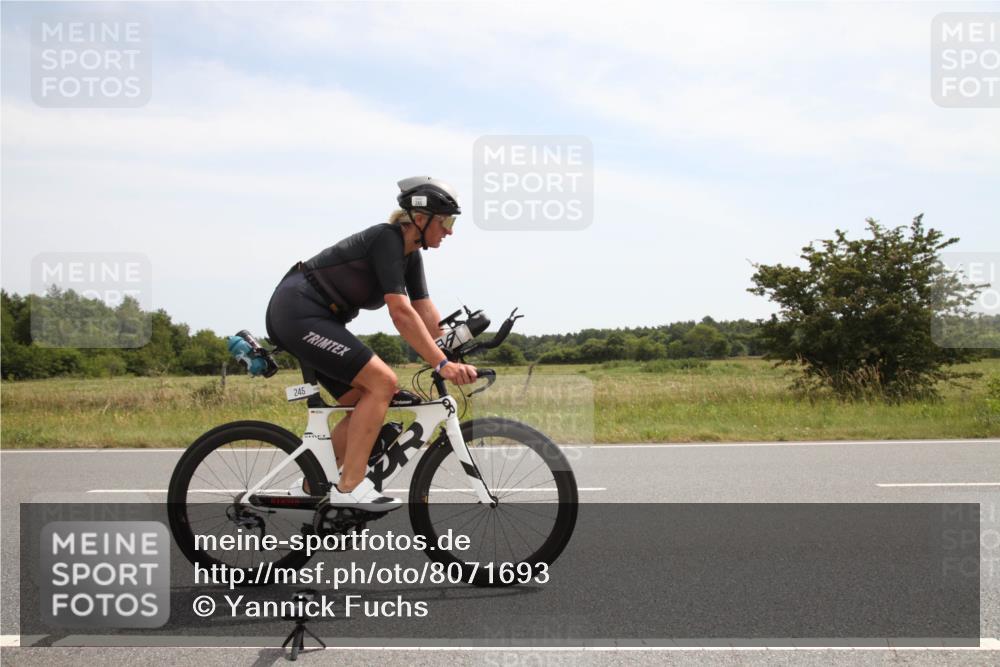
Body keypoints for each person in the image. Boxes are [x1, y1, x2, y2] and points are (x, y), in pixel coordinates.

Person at [265, 176, 478, 512]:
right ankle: (349, 487)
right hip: (298, 312)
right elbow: (401, 313)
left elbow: (423, 310)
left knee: (371, 397)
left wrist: (453, 347)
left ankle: (313, 484)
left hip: (318, 318)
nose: (450, 231)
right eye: (446, 222)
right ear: (420, 219)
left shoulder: (411, 255)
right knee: (382, 382)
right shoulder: (386, 239)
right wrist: (441, 363)